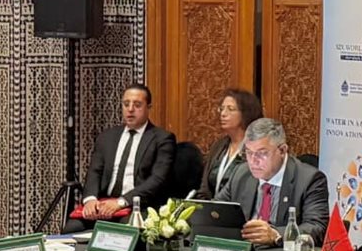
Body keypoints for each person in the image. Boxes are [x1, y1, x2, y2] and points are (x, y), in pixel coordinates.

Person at [71, 84, 176, 229]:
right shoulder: (107, 137)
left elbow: (157, 180)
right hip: (104, 204)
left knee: (124, 231)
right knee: (72, 228)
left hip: (136, 206)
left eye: (137, 105)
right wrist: (90, 199)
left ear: (148, 108)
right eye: (126, 104)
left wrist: (121, 202)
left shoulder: (162, 139)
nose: (130, 109)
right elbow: (94, 172)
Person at [215, 118, 329, 246]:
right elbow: (217, 210)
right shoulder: (241, 173)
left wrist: (276, 235)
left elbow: (317, 228)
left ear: (282, 150)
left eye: (261, 153)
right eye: (249, 152)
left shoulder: (309, 180)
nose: (253, 161)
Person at [196, 88, 263, 199]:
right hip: (213, 207)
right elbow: (204, 187)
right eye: (221, 109)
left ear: (246, 113)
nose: (223, 114)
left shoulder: (256, 148)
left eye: (230, 109)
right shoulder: (219, 146)